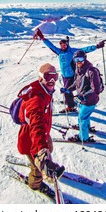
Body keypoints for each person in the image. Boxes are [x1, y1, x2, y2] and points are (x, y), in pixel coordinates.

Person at [17, 63, 65, 194]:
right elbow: (36, 125)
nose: (51, 81)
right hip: (31, 139)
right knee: (38, 170)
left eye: (54, 77)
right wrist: (41, 153)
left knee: (49, 147)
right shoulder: (36, 98)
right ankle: (35, 184)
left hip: (42, 133)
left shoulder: (44, 90)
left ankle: (44, 159)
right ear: (40, 78)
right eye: (48, 76)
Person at [34, 28, 105, 113]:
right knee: (67, 90)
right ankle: (70, 100)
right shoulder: (59, 52)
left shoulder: (72, 51)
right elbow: (51, 46)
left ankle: (71, 107)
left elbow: (85, 49)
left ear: (67, 44)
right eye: (61, 45)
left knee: (67, 90)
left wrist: (96, 46)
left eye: (64, 45)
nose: (63, 46)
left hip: (72, 75)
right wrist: (42, 38)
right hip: (65, 75)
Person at [61, 50, 102, 142]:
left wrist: (84, 95)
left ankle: (83, 137)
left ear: (85, 58)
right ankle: (86, 127)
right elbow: (76, 83)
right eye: (76, 60)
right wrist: (68, 89)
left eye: (80, 59)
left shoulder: (91, 71)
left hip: (90, 100)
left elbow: (96, 89)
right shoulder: (79, 69)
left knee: (81, 117)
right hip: (83, 99)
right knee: (84, 116)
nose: (78, 62)